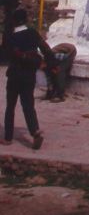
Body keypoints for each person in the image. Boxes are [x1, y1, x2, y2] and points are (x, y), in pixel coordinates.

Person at [3, 8, 55, 148]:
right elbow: (46, 49)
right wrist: (51, 65)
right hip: (29, 75)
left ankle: (8, 137)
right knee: (28, 105)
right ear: (25, 20)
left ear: (14, 21)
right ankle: (34, 131)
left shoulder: (10, 37)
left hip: (14, 75)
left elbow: (6, 54)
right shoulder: (32, 33)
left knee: (10, 106)